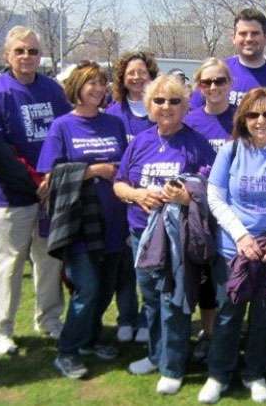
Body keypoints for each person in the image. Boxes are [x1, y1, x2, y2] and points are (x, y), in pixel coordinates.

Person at [198, 87, 266, 404]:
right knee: (228, 316)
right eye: (253, 114)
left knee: (264, 320)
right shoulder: (231, 150)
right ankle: (218, 374)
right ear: (243, 118)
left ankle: (254, 373)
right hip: (234, 251)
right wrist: (241, 237)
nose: (261, 120)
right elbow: (215, 196)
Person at [113, 74, 215, 394]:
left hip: (177, 237)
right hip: (141, 233)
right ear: (149, 106)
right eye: (159, 100)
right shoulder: (141, 141)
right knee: (152, 301)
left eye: (174, 101)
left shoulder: (196, 144)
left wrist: (187, 196)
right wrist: (138, 195)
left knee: (173, 299)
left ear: (185, 106)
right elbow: (119, 184)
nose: (166, 106)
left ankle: (173, 366)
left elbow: (212, 190)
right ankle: (156, 356)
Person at [36, 61, 129, 379]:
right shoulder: (62, 126)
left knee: (104, 288)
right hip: (78, 223)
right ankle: (67, 351)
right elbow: (52, 175)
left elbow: (125, 164)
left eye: (102, 83)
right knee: (86, 288)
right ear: (76, 86)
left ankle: (89, 340)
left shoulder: (113, 123)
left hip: (114, 218)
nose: (98, 89)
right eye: (91, 83)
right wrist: (95, 170)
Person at [0, 26, 71, 356]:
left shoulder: (52, 90)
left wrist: (54, 179)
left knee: (48, 260)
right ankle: (1, 330)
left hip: (50, 194)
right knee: (8, 263)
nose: (27, 57)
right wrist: (34, 181)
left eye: (33, 51)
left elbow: (65, 135)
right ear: (7, 55)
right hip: (11, 194)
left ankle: (49, 319)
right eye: (20, 51)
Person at [183, 57, 236, 361]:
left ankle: (234, 333)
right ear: (198, 86)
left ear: (230, 84)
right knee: (204, 277)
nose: (213, 87)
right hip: (199, 212)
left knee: (231, 277)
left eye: (220, 81)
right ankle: (209, 333)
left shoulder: (242, 119)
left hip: (234, 212)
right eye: (207, 82)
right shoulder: (189, 120)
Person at [105, 50, 160, 343]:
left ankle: (145, 319)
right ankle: (126, 316)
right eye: (131, 73)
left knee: (149, 267)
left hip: (151, 203)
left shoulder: (159, 109)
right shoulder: (113, 113)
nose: (137, 77)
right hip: (119, 198)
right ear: (122, 79)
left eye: (142, 72)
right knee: (124, 263)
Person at [189, 8, 266, 109]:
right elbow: (193, 113)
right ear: (233, 37)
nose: (249, 39)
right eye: (243, 33)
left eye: (255, 33)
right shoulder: (218, 72)